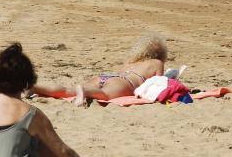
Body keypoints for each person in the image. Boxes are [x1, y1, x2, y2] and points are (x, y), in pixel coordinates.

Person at [31, 33, 167, 106]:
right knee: (104, 95)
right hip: (124, 83)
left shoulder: (131, 62)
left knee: (67, 91)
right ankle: (83, 90)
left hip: (108, 77)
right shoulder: (156, 63)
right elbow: (158, 85)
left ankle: (34, 87)